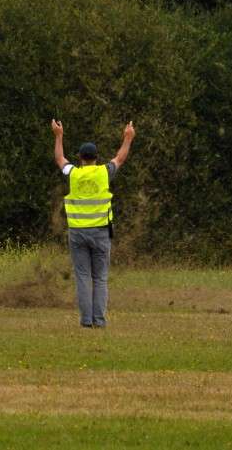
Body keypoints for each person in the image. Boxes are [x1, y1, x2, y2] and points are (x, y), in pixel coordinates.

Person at [50, 118, 135, 328]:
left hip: (77, 234)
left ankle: (86, 321)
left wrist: (58, 136)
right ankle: (99, 320)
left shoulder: (75, 174)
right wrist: (128, 138)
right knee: (100, 278)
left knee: (83, 278)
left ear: (79, 158)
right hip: (100, 233)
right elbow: (120, 158)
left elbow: (60, 159)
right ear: (96, 158)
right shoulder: (103, 172)